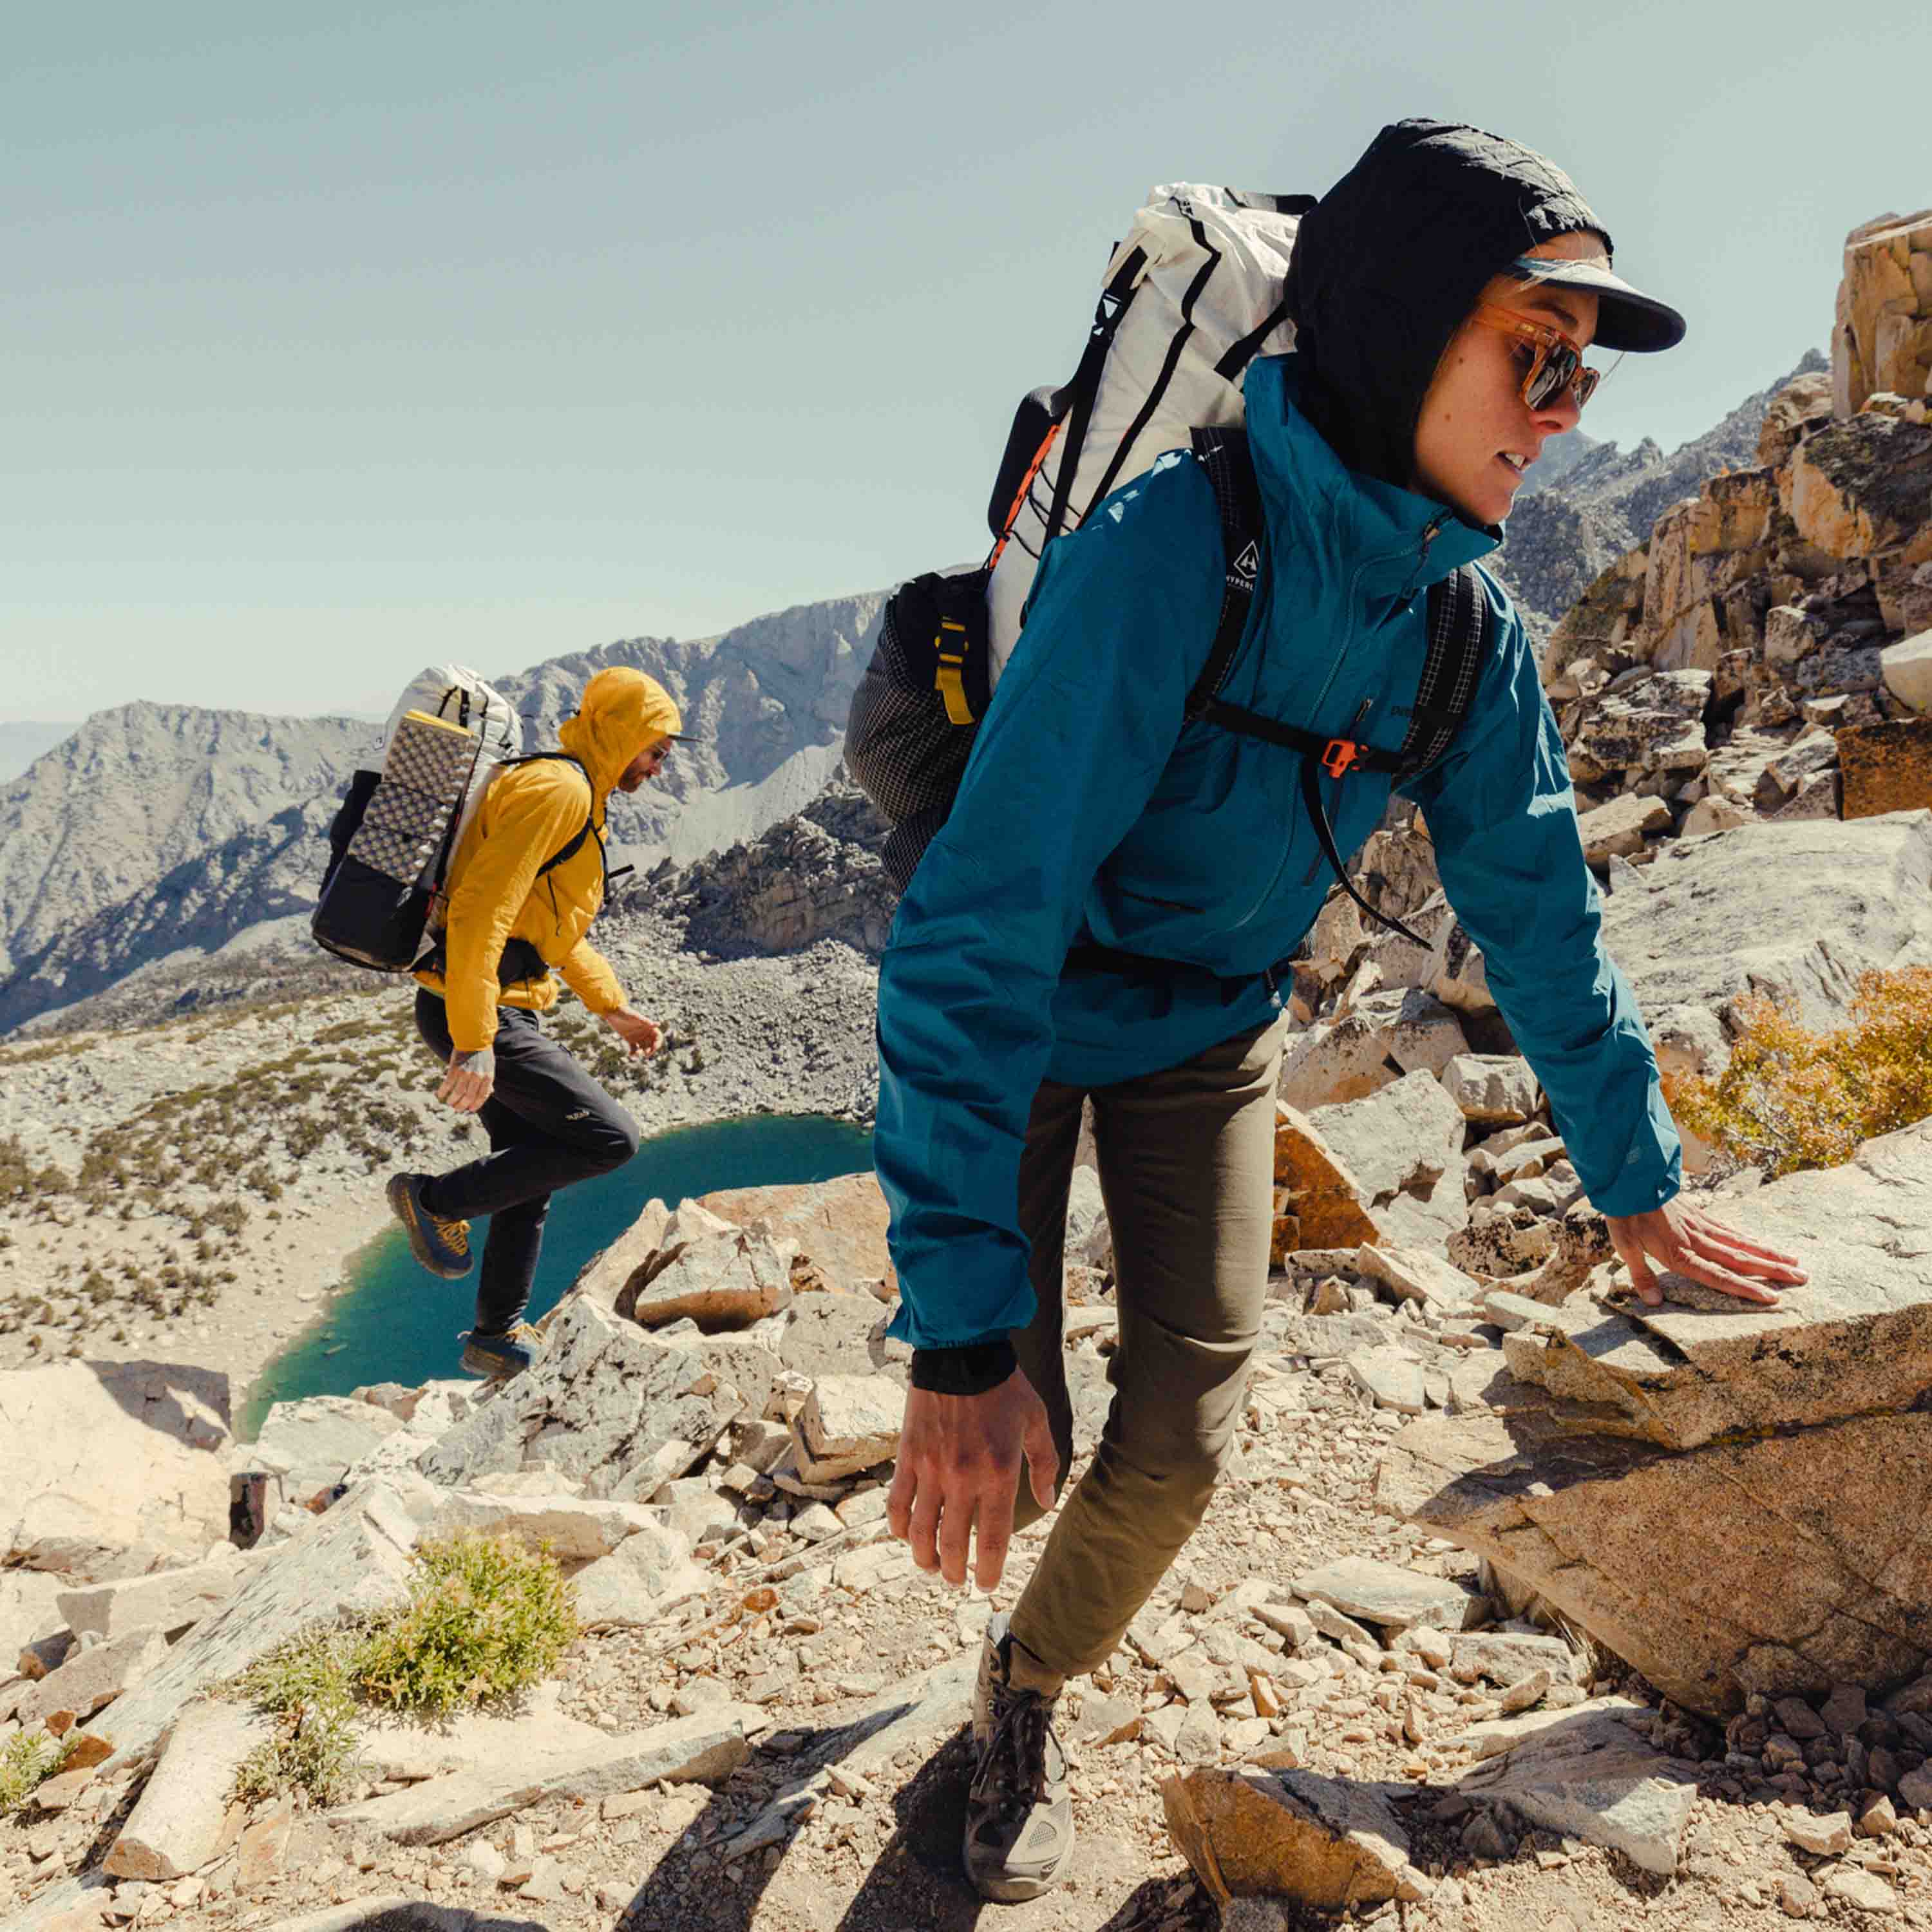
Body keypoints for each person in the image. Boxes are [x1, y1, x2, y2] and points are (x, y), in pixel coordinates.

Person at [872, 120, 1808, 1904]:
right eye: (1536, 355)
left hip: (1203, 1036)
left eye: (1580, 380)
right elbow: (976, 931)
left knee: (1182, 1440)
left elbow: (1542, 917)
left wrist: (1638, 1180)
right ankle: (992, 1454)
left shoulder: (1463, 633)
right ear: (1394, 331)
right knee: (1015, 1412)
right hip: (1028, 1018)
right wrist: (954, 1342)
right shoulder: (1173, 549)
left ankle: (1020, 1696)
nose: (1563, 412)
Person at [386, 665, 683, 1380]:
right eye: (655, 746)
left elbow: (547, 928)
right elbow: (484, 909)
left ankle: (494, 1335)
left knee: (529, 1173)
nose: (660, 763)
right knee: (611, 1138)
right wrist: (475, 1039)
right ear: (621, 731)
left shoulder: (578, 794)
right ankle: (432, 1199)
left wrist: (611, 1007)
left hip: (504, 1003)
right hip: (481, 1007)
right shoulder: (560, 790)